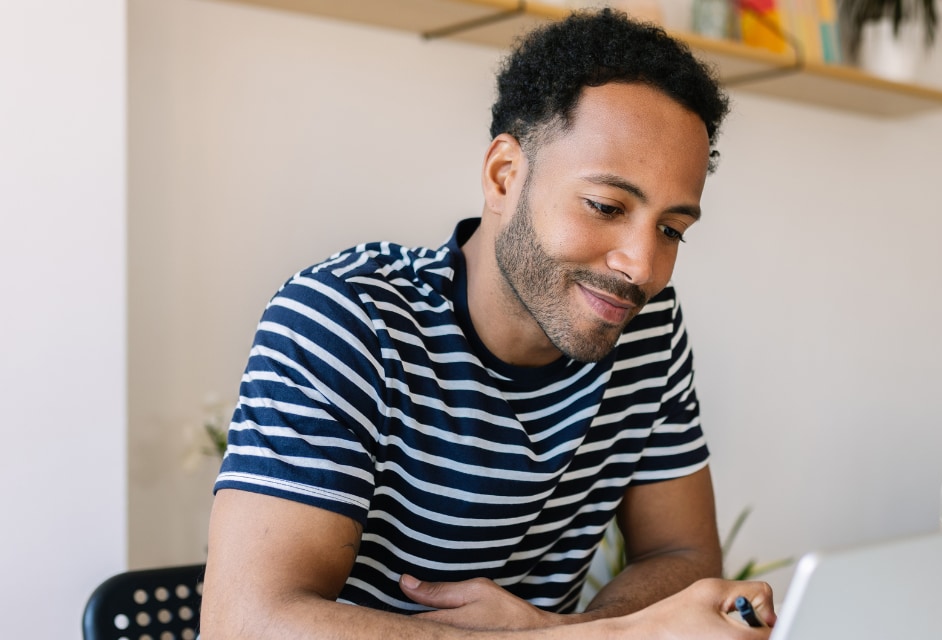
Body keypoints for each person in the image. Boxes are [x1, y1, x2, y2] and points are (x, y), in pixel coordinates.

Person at [201, 8, 774, 639]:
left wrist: (559, 631)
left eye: (671, 230)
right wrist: (587, 636)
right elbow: (244, 624)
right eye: (606, 206)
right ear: (505, 176)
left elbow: (683, 555)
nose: (641, 267)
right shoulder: (346, 319)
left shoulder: (644, 329)